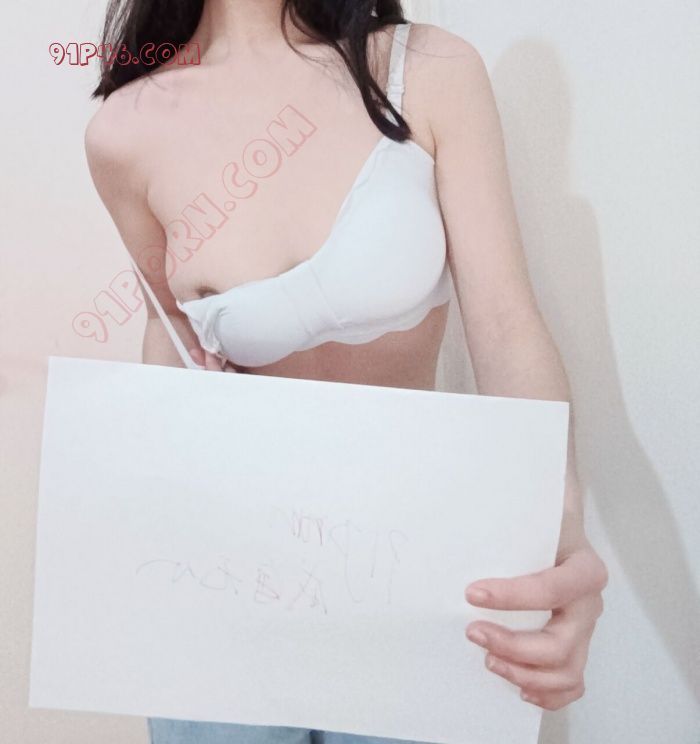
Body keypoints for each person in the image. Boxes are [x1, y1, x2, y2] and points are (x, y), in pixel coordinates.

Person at [84, 1, 608, 742]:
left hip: (418, 573)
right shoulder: (123, 131)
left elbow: (504, 322)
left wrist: (561, 533)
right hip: (226, 580)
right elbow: (165, 331)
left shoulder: (427, 70)